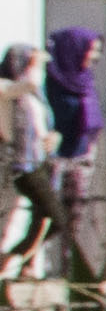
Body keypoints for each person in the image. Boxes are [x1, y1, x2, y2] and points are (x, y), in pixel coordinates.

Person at [0, 44, 53, 264]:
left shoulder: (33, 96)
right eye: (29, 63)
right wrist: (35, 63)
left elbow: (41, 122)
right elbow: (30, 83)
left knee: (20, 216)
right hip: (11, 162)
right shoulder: (5, 86)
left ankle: (11, 261)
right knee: (5, 217)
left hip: (33, 161)